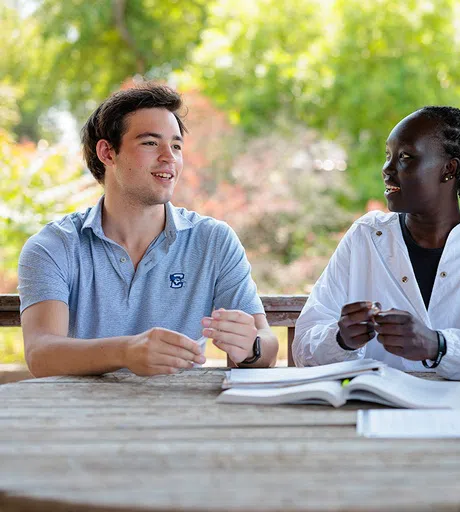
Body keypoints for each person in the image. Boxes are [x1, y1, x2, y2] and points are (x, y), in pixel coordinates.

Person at [18, 83, 278, 377]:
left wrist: (251, 347)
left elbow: (266, 343)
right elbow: (41, 353)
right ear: (107, 152)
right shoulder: (54, 246)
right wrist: (126, 352)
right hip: (83, 417)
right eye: (151, 143)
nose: (169, 157)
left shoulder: (214, 241)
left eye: (176, 146)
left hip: (185, 417)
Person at [293, 106, 460, 380]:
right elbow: (304, 344)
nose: (387, 169)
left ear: (449, 168)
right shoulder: (364, 237)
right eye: (388, 156)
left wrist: (439, 346)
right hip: (372, 413)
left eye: (405, 157)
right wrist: (341, 340)